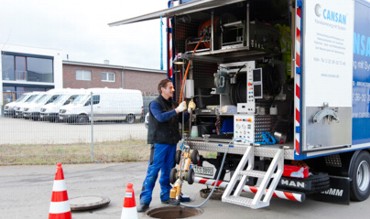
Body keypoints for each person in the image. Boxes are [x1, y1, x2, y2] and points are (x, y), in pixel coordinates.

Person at [137, 78, 193, 212]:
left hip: (171, 142)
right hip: (159, 143)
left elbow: (181, 119)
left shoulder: (173, 104)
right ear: (162, 89)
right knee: (153, 171)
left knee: (168, 171)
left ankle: (166, 196)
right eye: (170, 87)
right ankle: (145, 201)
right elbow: (161, 118)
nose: (173, 90)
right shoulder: (154, 104)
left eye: (173, 87)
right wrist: (177, 110)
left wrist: (188, 111)